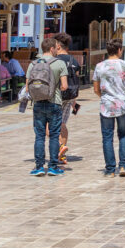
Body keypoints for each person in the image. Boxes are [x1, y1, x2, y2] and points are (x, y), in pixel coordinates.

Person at [24, 37, 70, 177]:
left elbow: (27, 87)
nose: (58, 50)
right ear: (51, 48)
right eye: (56, 47)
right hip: (54, 102)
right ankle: (53, 166)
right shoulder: (60, 63)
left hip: (38, 103)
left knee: (39, 136)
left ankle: (38, 166)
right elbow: (64, 86)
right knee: (54, 136)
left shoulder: (33, 64)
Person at [92, 39, 125, 176]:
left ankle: (110, 169)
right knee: (123, 135)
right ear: (119, 50)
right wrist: (123, 95)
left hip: (106, 105)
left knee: (107, 136)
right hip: (123, 104)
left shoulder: (99, 66)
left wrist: (105, 96)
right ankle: (123, 166)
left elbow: (96, 88)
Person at [52, 33, 81, 167]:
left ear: (57, 46)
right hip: (70, 96)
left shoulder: (55, 60)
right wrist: (74, 99)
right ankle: (61, 155)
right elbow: (76, 79)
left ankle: (59, 147)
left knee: (49, 124)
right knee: (62, 123)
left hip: (57, 95)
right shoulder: (73, 60)